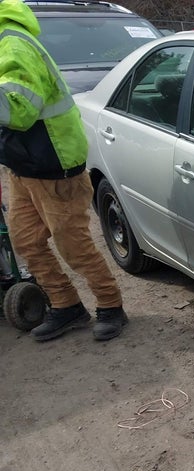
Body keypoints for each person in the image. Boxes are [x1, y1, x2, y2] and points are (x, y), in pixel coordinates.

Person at [0, 0, 127, 341]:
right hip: (22, 163)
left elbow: (19, 111)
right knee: (27, 241)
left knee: (73, 244)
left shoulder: (13, 44)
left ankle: (110, 305)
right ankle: (66, 305)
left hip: (54, 162)